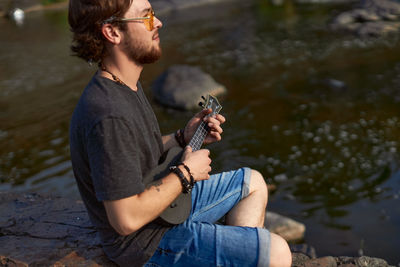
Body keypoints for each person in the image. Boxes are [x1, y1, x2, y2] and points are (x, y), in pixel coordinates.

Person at [68, 0, 292, 266]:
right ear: (112, 32)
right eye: (146, 17)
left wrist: (182, 137)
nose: (158, 22)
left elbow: (135, 154)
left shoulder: (124, 84)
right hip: (144, 243)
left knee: (253, 183)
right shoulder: (108, 113)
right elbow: (125, 219)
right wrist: (185, 174)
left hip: (161, 211)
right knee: (276, 252)